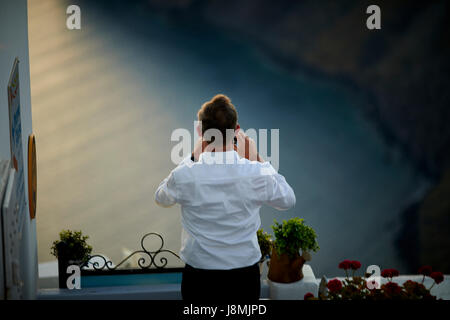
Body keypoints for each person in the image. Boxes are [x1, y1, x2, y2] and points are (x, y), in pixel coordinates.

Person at [155, 94, 296, 301]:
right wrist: (257, 158)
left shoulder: (186, 174)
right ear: (237, 131)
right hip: (244, 276)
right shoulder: (256, 173)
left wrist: (192, 158)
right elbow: (287, 200)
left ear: (200, 132)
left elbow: (161, 197)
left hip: (199, 277)